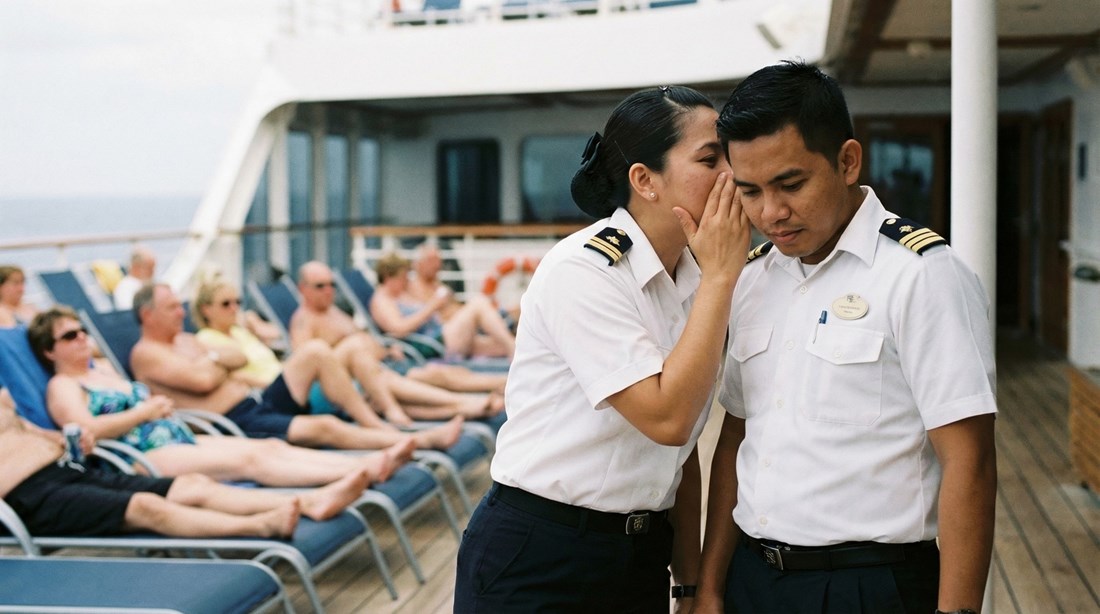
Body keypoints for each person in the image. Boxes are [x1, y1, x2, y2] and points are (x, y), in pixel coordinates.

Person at [695, 61, 998, 614]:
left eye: (791, 184)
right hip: (751, 578)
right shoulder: (753, 278)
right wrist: (710, 587)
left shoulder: (921, 274)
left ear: (847, 161)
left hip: (868, 587)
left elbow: (969, 461)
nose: (771, 213)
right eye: (750, 191)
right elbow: (736, 436)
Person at [453, 85, 750, 612]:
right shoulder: (586, 270)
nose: (732, 173)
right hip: (540, 553)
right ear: (645, 181)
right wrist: (722, 278)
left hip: (638, 556)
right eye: (711, 159)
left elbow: (677, 458)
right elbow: (668, 419)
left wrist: (688, 585)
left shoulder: (693, 278)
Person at [29, 306, 411, 503]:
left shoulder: (104, 372)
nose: (82, 338)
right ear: (50, 350)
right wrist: (144, 412)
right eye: (70, 336)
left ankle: (363, 465)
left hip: (173, 435)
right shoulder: (63, 386)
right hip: (142, 455)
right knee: (251, 461)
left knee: (269, 447)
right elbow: (86, 431)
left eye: (83, 331)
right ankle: (352, 475)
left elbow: (227, 362)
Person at [129, 283, 464, 450]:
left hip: (255, 400)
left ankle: (378, 424)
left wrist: (213, 362)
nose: (181, 313)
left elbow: (236, 358)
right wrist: (216, 362)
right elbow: (203, 381)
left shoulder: (187, 341)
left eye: (180, 305)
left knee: (318, 352)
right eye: (172, 308)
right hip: (234, 421)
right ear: (147, 315)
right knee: (325, 426)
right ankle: (411, 441)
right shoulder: (147, 353)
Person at [1, 389, 347, 539]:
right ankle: (258, 527)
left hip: (66, 470)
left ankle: (309, 501)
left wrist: (63, 440)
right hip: (25, 498)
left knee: (193, 485)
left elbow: (35, 433)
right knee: (147, 506)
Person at [192, 279, 503, 422]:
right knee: (382, 372)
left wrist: (251, 322)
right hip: (285, 392)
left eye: (237, 302)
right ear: (206, 310)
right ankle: (464, 402)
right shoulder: (207, 340)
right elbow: (235, 380)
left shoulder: (240, 331)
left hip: (307, 380)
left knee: (391, 387)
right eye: (226, 304)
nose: (234, 308)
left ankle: (466, 406)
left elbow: (274, 335)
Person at [289, 261, 508, 423]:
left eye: (332, 285)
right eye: (320, 286)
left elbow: (364, 340)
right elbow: (308, 368)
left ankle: (479, 400)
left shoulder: (333, 311)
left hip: (376, 369)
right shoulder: (303, 321)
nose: (328, 291)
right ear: (303, 289)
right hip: (345, 387)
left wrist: (386, 349)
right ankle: (469, 403)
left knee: (440, 376)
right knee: (410, 383)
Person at [371, 251, 515, 360]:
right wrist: (432, 307)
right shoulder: (381, 301)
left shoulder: (397, 296)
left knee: (499, 345)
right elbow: (399, 329)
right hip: (433, 343)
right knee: (478, 303)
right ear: (388, 277)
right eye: (402, 278)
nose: (406, 282)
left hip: (441, 336)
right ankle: (512, 348)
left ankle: (514, 350)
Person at [113, 245, 156, 310]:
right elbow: (129, 310)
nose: (152, 272)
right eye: (149, 268)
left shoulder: (146, 284)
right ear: (136, 267)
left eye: (153, 268)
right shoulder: (125, 288)